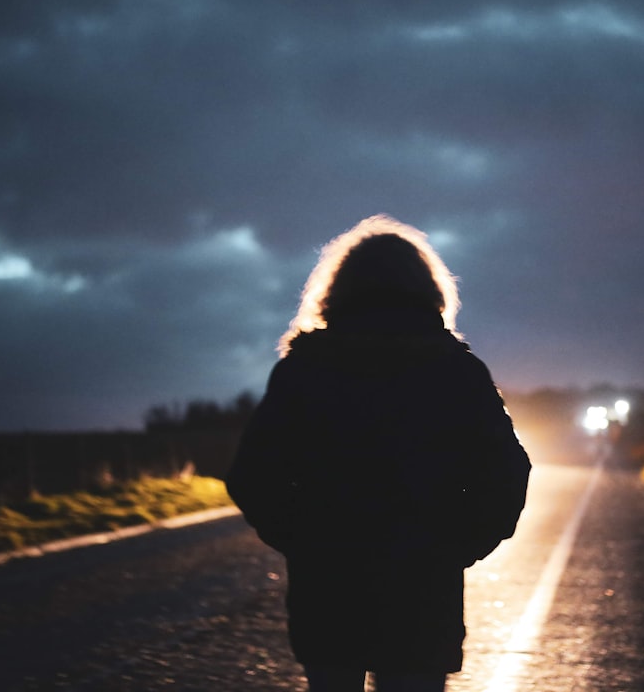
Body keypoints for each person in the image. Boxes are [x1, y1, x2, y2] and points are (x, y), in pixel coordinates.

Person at [225, 215, 531, 692]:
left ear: (336, 290)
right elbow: (507, 472)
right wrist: (459, 547)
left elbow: (253, 475)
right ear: (428, 289)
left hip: (327, 589)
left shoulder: (303, 369)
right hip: (423, 590)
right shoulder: (455, 371)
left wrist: (302, 540)